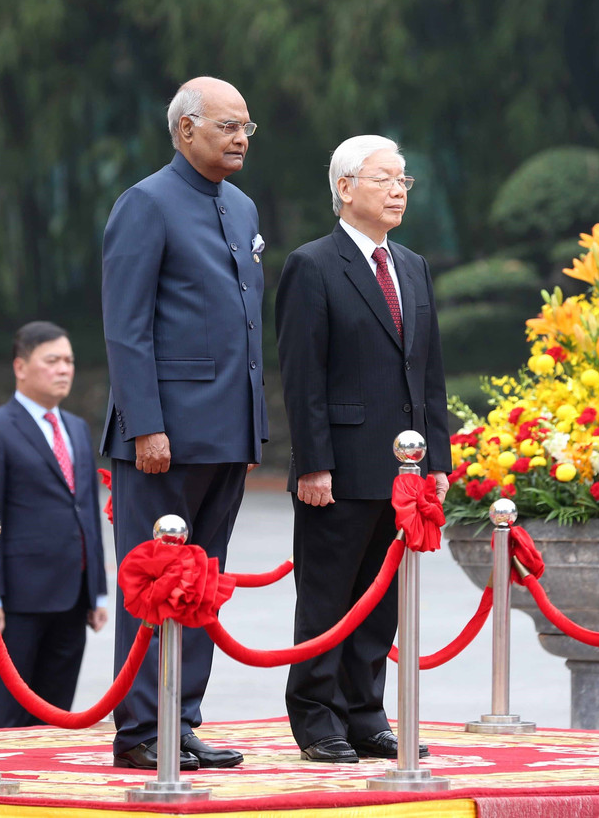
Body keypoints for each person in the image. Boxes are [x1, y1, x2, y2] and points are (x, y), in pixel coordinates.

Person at [100, 76, 266, 770]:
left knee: (203, 580)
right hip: (163, 434)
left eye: (246, 128)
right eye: (226, 126)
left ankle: (182, 719)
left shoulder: (241, 205)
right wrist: (146, 425)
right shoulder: (146, 203)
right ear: (184, 130)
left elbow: (247, 325)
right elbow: (127, 325)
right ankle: (141, 729)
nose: (239, 138)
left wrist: (252, 425)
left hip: (227, 428)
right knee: (151, 578)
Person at [275, 135, 452, 763]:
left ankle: (365, 713)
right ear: (345, 188)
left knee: (381, 601)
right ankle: (316, 716)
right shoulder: (313, 265)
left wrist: (437, 462)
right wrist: (314, 463)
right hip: (340, 466)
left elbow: (428, 373)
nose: (399, 190)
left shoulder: (411, 264)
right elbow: (302, 377)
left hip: (403, 471)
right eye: (384, 179)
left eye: (404, 180)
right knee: (328, 596)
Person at [0, 321, 108, 728]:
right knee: (9, 715)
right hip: (19, 600)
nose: (64, 369)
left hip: (73, 595)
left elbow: (86, 513)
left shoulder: (76, 428)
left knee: (55, 715)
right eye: (52, 361)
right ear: (21, 367)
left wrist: (97, 590)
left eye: (69, 361)